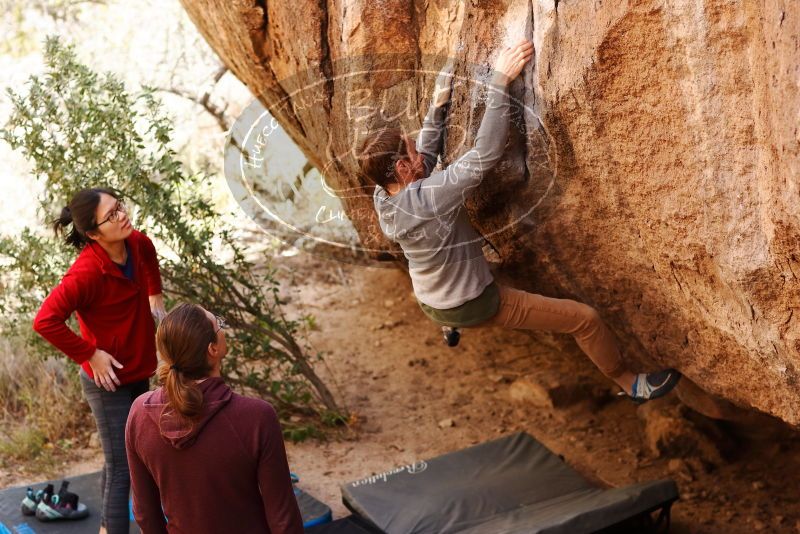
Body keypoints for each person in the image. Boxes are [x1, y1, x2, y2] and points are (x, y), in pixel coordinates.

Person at [358, 39, 681, 403]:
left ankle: (448, 323)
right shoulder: (430, 197)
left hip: (430, 301)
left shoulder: (383, 195)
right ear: (401, 167)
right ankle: (629, 382)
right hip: (474, 303)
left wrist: (437, 109)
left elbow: (422, 166)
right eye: (411, 148)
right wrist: (499, 83)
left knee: (459, 261)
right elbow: (486, 153)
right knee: (584, 319)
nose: (419, 146)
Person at [33, 187, 166, 533]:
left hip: (139, 371)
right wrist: (89, 353)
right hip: (106, 384)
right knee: (125, 467)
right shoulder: (86, 273)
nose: (121, 215)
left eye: (119, 206)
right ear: (93, 233)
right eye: (111, 215)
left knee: (122, 457)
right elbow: (45, 321)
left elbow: (149, 256)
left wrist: (155, 296)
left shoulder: (136, 242)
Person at [125, 303, 304, 534]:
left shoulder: (139, 413)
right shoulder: (257, 417)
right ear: (213, 349)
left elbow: (145, 515)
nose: (222, 327)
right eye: (219, 324)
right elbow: (283, 518)